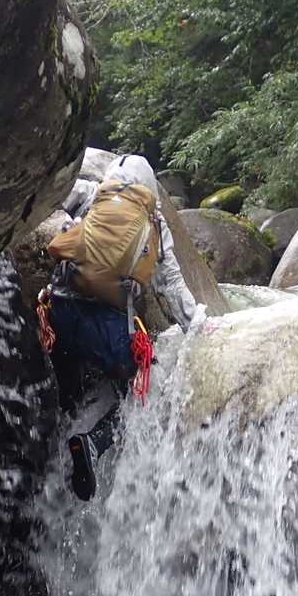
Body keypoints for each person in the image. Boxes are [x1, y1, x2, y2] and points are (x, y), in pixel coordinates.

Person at [41, 154, 200, 501]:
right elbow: (171, 285)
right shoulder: (154, 223)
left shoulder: (90, 193)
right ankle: (93, 442)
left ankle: (51, 447)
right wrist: (199, 326)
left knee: (64, 392)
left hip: (58, 314)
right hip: (104, 328)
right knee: (142, 388)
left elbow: (50, 193)